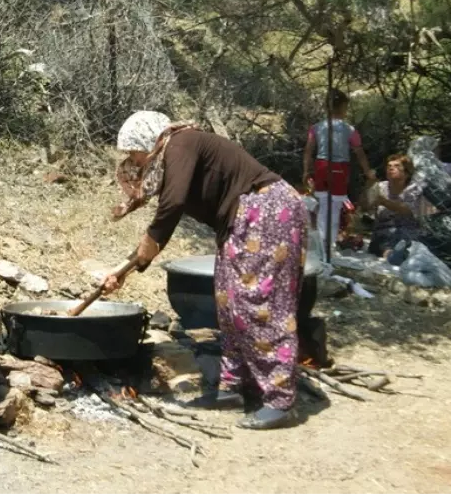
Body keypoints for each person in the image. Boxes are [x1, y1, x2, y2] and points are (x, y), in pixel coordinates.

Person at [104, 111, 307, 430]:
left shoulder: (180, 143)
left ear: (147, 140)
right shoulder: (174, 153)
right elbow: (160, 220)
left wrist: (141, 257)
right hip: (242, 221)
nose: (134, 160)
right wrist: (122, 271)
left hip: (268, 211)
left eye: (133, 152)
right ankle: (233, 387)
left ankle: (280, 401)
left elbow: (170, 207)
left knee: (259, 306)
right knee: (230, 306)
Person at [301, 89, 374, 259]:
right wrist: (367, 171)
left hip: (321, 166)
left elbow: (308, 151)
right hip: (340, 168)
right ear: (342, 107)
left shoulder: (316, 128)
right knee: (334, 207)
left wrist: (306, 171)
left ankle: (321, 244)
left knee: (323, 206)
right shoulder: (349, 129)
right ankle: (330, 245)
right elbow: (359, 152)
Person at [367, 154, 428, 256]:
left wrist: (383, 201)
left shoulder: (414, 190)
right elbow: (365, 207)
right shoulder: (380, 187)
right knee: (383, 244)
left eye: (397, 166)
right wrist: (369, 184)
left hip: (409, 234)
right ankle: (391, 255)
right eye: (389, 166)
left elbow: (407, 210)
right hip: (383, 234)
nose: (391, 168)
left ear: (407, 173)